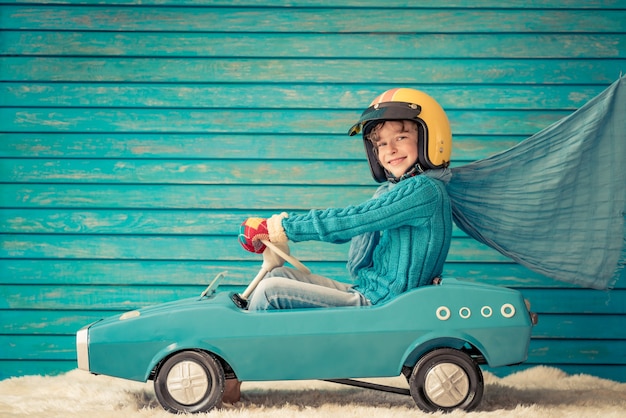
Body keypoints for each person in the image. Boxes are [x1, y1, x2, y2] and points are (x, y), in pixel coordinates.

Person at [224, 88, 454, 403]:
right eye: (381, 144)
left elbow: (352, 220)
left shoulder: (424, 191)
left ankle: (234, 374)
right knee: (278, 278)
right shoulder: (397, 192)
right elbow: (360, 255)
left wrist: (282, 227)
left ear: (430, 138)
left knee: (269, 292)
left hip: (383, 305)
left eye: (401, 137)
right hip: (371, 293)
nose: (390, 149)